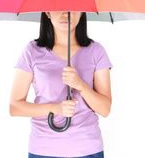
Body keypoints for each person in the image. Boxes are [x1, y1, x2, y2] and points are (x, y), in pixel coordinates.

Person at [9, 11, 113, 158]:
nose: (67, 14)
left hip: (87, 149)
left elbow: (105, 109)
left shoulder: (96, 51)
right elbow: (15, 107)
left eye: (74, 7)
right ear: (47, 12)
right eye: (59, 7)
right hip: (43, 149)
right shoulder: (32, 51)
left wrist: (80, 85)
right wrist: (54, 108)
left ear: (82, 11)